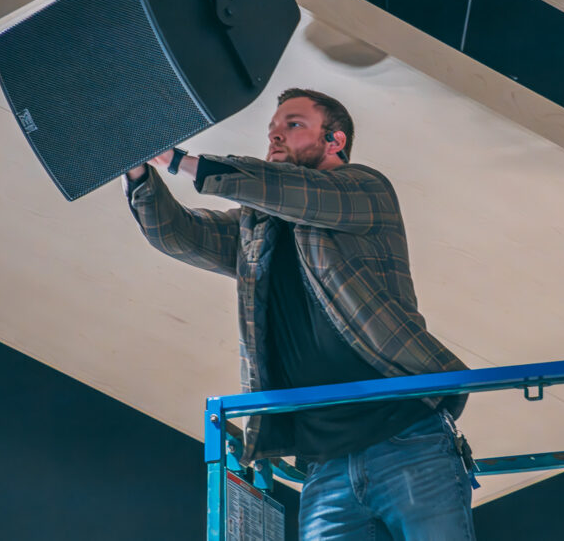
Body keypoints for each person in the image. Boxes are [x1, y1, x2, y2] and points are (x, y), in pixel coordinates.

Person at [124, 88, 477, 540]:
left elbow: (291, 192)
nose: (275, 137)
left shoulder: (364, 190)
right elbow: (178, 234)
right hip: (324, 463)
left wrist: (177, 160)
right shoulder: (258, 229)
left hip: (407, 437)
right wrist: (138, 171)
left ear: (335, 141)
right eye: (271, 130)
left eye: (293, 125)